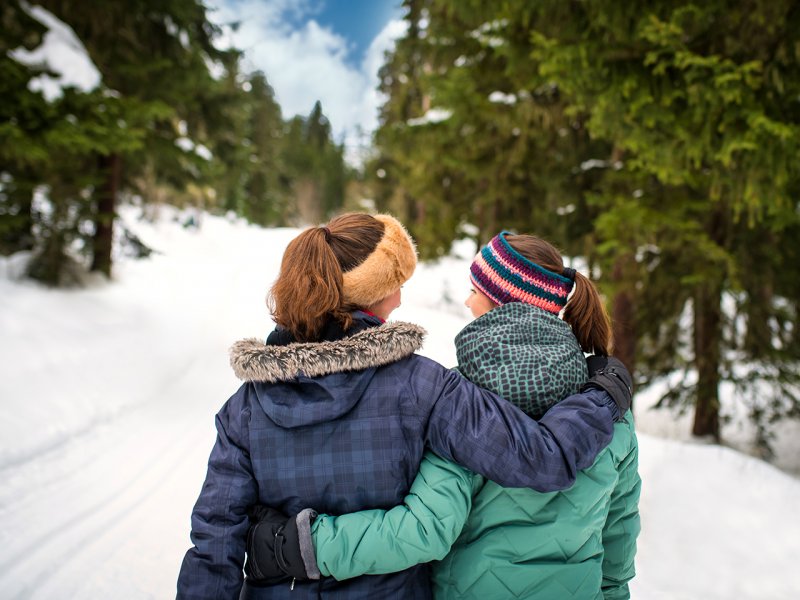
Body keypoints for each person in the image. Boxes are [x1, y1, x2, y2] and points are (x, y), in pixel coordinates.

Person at [176, 215, 630, 600]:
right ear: (371, 292)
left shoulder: (245, 410)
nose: (401, 297)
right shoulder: (424, 386)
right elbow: (542, 460)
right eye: (396, 283)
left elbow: (214, 542)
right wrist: (603, 395)